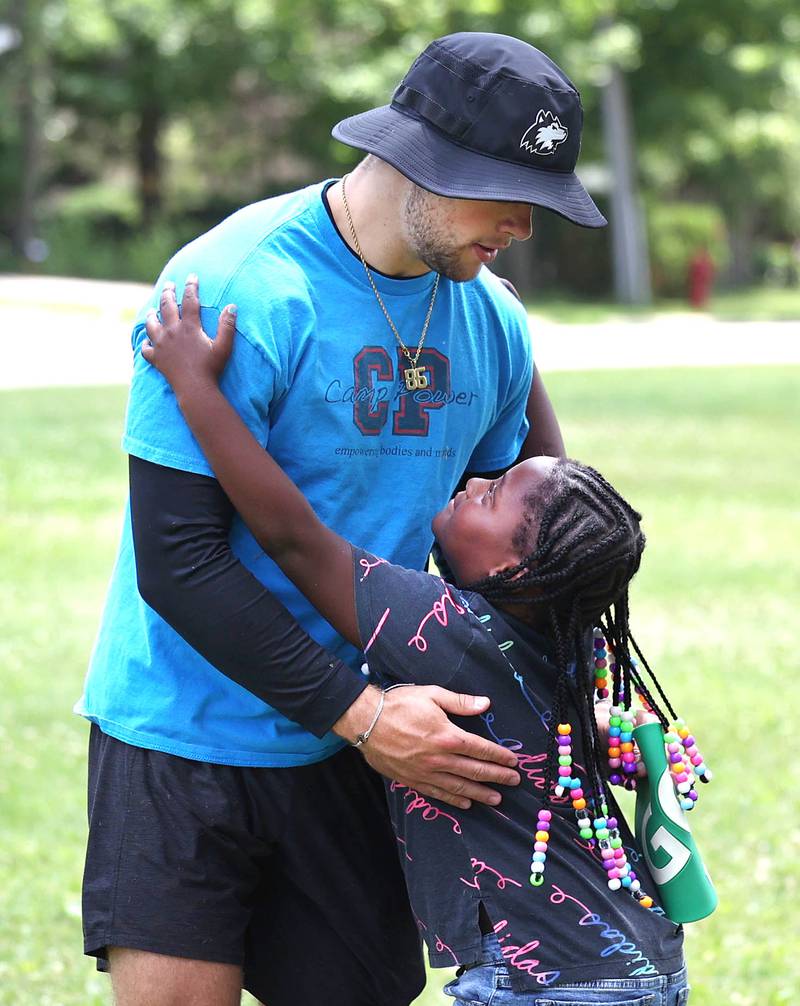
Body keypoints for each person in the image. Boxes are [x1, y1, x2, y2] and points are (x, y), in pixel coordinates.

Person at [77, 31, 607, 1006]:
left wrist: (568, 701)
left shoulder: (489, 320)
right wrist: (364, 716)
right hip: (188, 731)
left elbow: (520, 561)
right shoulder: (237, 288)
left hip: (360, 749)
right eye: (507, 195)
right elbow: (178, 559)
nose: (524, 229)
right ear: (421, 159)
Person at [140, 283, 694, 1006]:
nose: (478, 481)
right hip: (642, 967)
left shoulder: (448, 631)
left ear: (510, 569)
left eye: (492, 495)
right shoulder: (577, 636)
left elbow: (293, 538)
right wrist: (506, 339)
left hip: (543, 985)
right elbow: (549, 478)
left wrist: (196, 390)